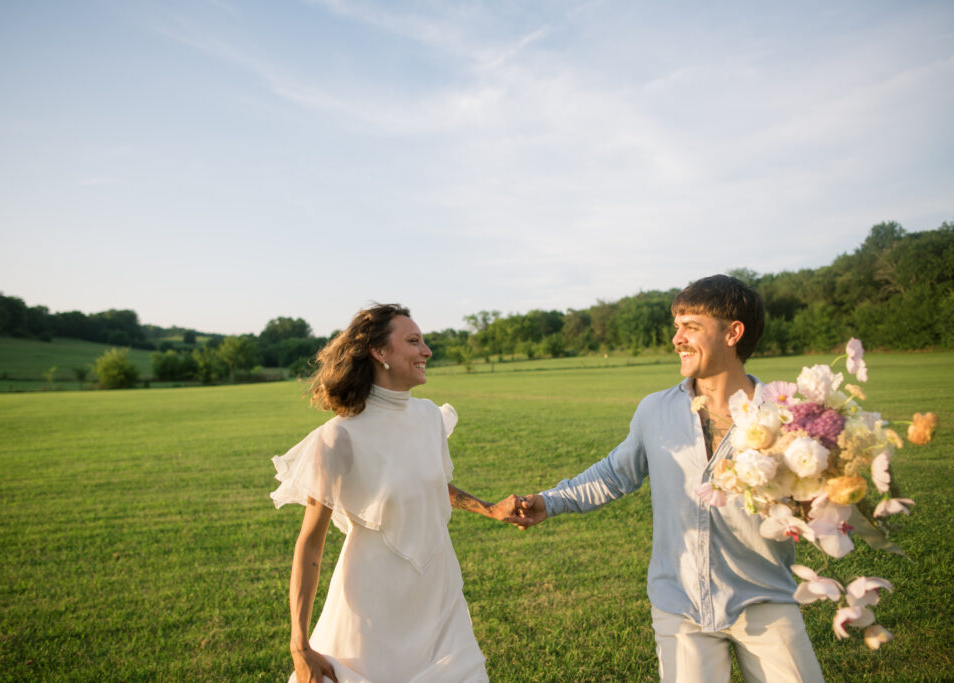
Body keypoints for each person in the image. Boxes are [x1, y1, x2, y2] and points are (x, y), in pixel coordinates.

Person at [513, 275, 826, 683]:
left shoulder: (787, 417)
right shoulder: (654, 410)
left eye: (691, 326)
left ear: (733, 333)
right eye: (676, 325)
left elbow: (820, 497)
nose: (677, 338)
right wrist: (549, 501)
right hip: (680, 604)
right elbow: (614, 474)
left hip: (764, 597)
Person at [271, 303, 518, 683]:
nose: (427, 351)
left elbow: (430, 484)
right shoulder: (338, 439)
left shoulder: (430, 417)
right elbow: (310, 545)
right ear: (380, 352)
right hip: (371, 613)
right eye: (414, 341)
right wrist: (299, 645)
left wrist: (490, 509)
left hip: (439, 596)